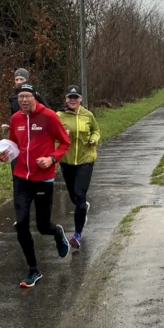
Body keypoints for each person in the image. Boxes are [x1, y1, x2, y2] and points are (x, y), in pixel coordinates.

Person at [0, 82, 71, 288]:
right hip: (21, 178)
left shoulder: (48, 116)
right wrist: (6, 154)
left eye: (26, 97)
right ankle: (33, 270)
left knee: (42, 226)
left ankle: (57, 232)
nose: (23, 100)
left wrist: (52, 158)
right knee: (21, 224)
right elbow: (14, 146)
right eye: (20, 97)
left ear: (34, 98)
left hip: (43, 179)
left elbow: (65, 142)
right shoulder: (15, 119)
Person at [57, 85, 101, 250]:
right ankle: (82, 208)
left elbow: (96, 130)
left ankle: (77, 235)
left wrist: (94, 139)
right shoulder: (58, 116)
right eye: (70, 97)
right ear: (66, 100)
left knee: (80, 197)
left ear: (80, 99)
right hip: (67, 161)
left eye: (76, 98)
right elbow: (50, 133)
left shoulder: (88, 115)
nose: (73, 100)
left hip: (85, 160)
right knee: (74, 198)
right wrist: (61, 135)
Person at [2, 68, 49, 133]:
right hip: (20, 131)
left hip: (35, 129)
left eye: (21, 79)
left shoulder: (35, 95)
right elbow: (14, 116)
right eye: (16, 79)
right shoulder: (12, 97)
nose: (19, 82)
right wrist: (10, 126)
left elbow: (47, 112)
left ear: (27, 80)